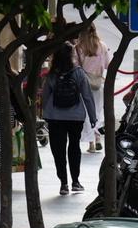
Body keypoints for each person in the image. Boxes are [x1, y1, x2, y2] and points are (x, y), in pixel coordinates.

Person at [42, 42, 96, 195]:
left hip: (55, 117)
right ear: (71, 56)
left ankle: (63, 183)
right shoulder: (79, 73)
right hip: (75, 118)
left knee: (58, 150)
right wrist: (92, 116)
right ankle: (76, 182)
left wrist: (44, 113)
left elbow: (45, 96)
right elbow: (87, 96)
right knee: (74, 147)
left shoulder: (52, 74)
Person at [75, 26, 110, 152]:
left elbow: (76, 67)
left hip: (83, 84)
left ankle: (91, 144)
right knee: (97, 112)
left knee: (87, 114)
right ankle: (98, 137)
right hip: (99, 83)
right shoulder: (103, 46)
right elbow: (108, 65)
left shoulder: (79, 48)